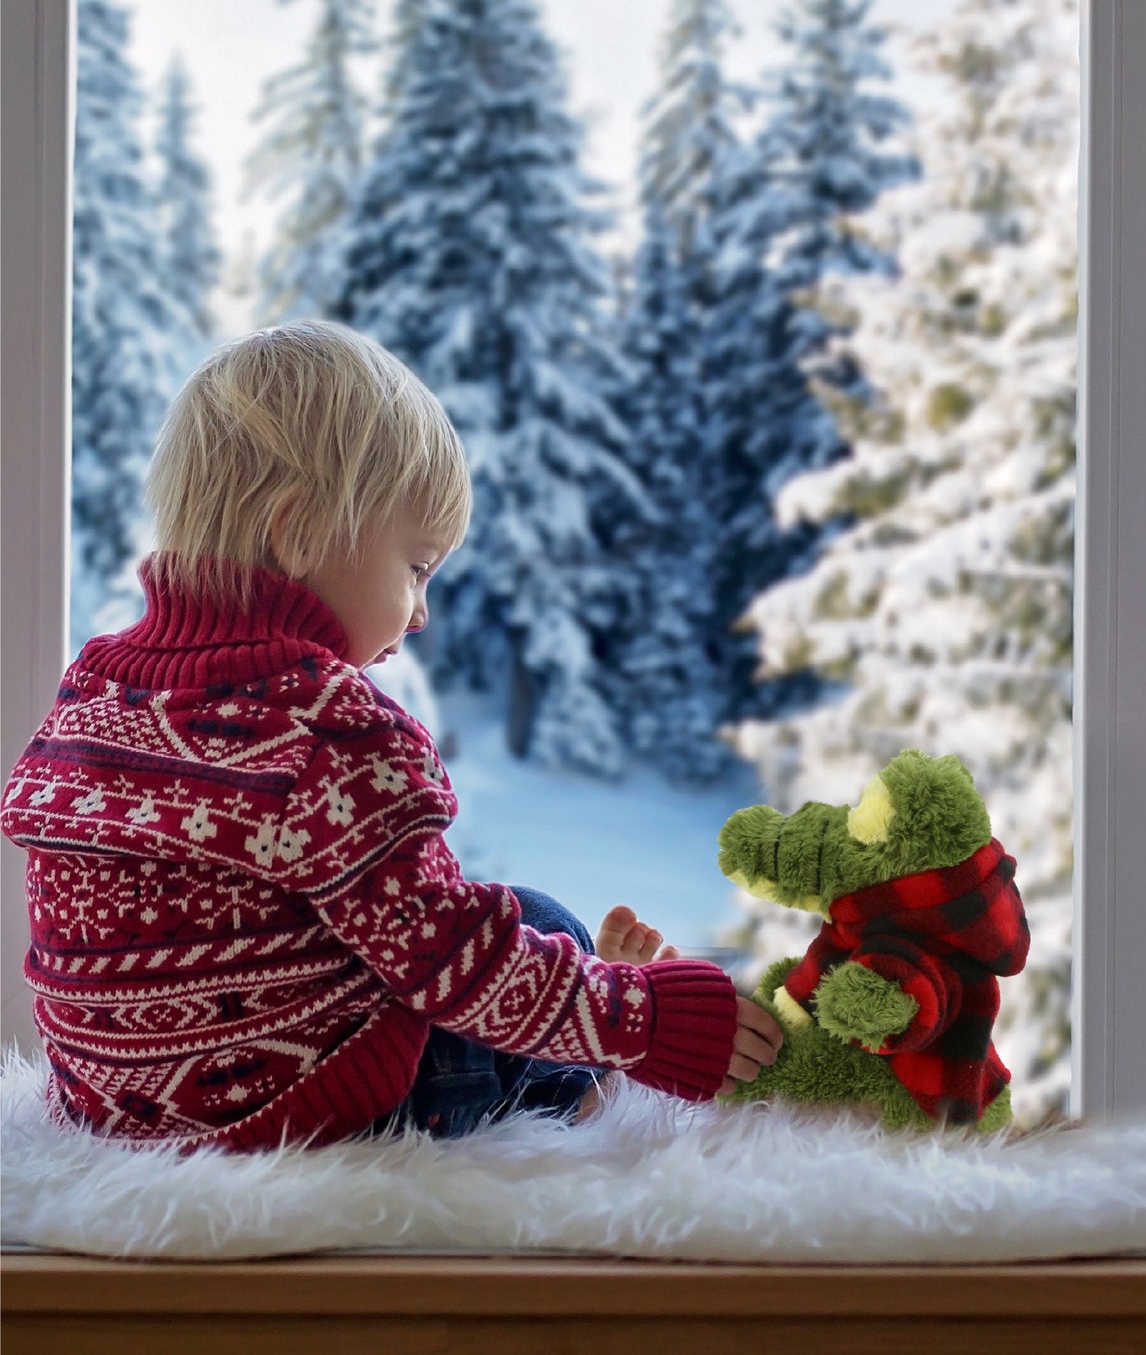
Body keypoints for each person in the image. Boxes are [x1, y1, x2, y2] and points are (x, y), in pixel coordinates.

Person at [1, 321, 781, 1149]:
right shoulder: (331, 729)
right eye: (414, 567)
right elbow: (453, 963)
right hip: (304, 1110)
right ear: (297, 532)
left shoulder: (94, 686)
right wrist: (648, 1021)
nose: (419, 613)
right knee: (537, 920)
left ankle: (582, 1020)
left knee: (454, 927)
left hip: (108, 1106)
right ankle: (583, 1078)